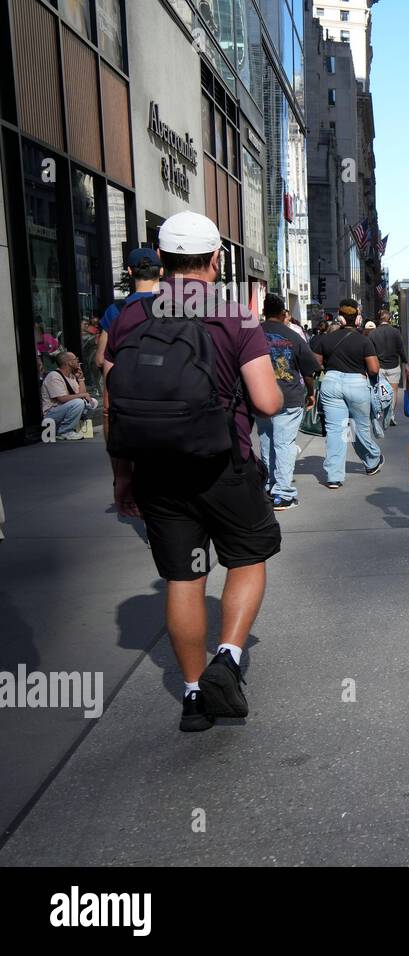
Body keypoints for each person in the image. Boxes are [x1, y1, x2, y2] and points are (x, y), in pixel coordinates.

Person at [103, 210, 283, 733]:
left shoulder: (130, 318)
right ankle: (226, 658)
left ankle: (191, 696)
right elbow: (269, 402)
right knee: (248, 558)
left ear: (159, 260)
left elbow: (117, 405)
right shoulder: (237, 317)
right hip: (225, 465)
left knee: (183, 578)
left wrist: (122, 477)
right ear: (216, 259)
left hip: (157, 472)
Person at [97, 247, 162, 518]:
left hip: (128, 396)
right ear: (161, 271)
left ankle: (123, 477)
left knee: (113, 422)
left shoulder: (117, 311)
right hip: (166, 393)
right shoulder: (175, 306)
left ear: (130, 272)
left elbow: (101, 359)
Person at [257, 293, 321, 511]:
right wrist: (310, 392)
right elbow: (309, 369)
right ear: (284, 313)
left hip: (260, 396)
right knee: (283, 444)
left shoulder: (252, 334)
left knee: (266, 441)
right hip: (288, 395)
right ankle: (283, 493)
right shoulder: (293, 336)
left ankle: (269, 485)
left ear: (264, 312)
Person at [313, 298, 383, 489]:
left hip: (331, 384)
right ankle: (372, 460)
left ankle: (334, 476)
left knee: (337, 430)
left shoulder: (325, 339)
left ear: (340, 319)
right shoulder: (364, 341)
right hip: (357, 386)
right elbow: (374, 369)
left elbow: (316, 363)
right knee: (359, 428)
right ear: (358, 320)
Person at [40, 351, 98, 440]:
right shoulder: (54, 376)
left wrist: (80, 379)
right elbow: (61, 399)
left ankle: (75, 426)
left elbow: (82, 396)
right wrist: (83, 395)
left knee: (92, 402)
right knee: (78, 402)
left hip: (65, 409)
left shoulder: (71, 375)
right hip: (52, 414)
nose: (78, 361)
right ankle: (64, 431)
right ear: (69, 363)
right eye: (76, 359)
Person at [369, 309, 409, 426]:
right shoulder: (395, 332)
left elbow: (370, 352)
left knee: (379, 391)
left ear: (379, 319)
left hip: (379, 366)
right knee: (393, 391)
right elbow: (401, 349)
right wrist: (405, 362)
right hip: (394, 366)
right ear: (389, 319)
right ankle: (391, 415)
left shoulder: (373, 333)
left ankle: (380, 412)